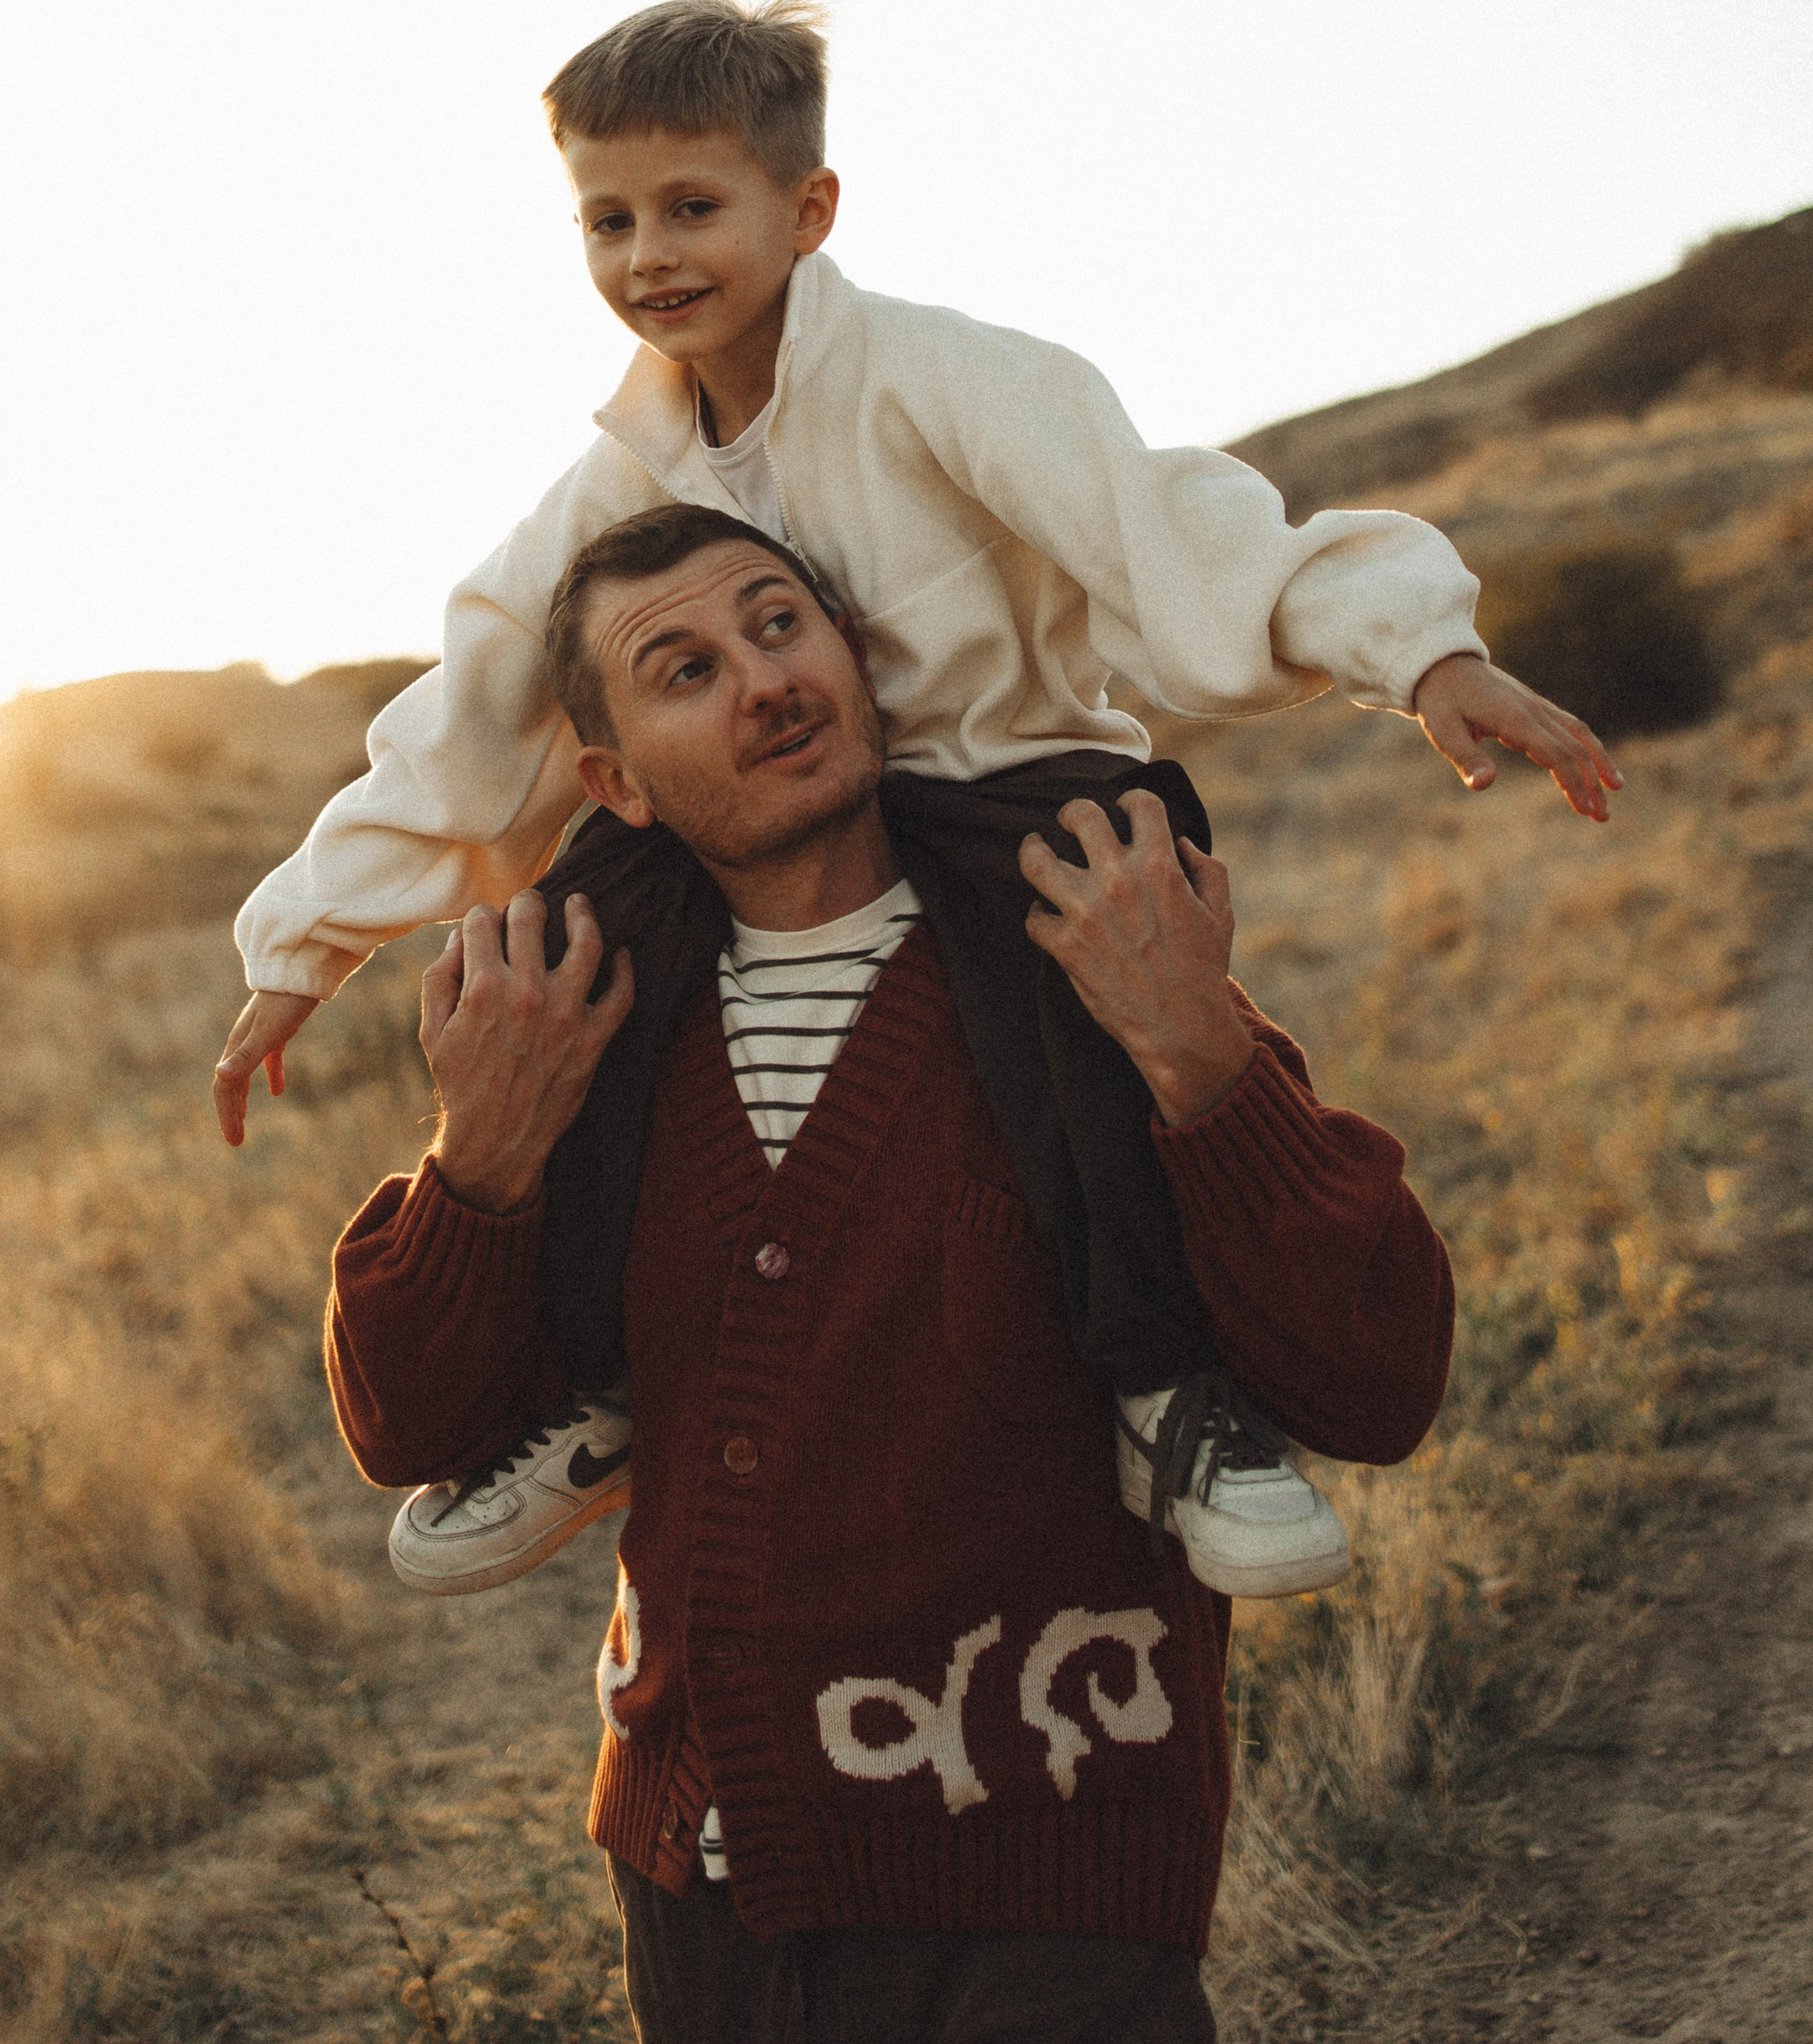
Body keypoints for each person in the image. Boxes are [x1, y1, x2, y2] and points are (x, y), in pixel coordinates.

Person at [221, 0, 1617, 1591]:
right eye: (607, 219)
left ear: (808, 209)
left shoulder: (948, 377)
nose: (648, 254)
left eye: (692, 206)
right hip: (772, 818)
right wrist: (302, 947)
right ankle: (594, 1388)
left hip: (1024, 796)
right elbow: (477, 699)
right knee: (575, 939)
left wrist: (1426, 657)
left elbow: (1166, 525)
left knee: (1076, 1037)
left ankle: (1169, 1389)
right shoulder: (623, 467)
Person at [325, 513, 1456, 2041]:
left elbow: (1380, 1375)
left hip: (1047, 1893)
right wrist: (482, 1160)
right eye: (685, 669)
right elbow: (409, 1432)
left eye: (781, 625)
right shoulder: (586, 1029)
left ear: (859, 654)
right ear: (618, 785)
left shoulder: (1081, 960)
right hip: (697, 1889)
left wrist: (1201, 1051)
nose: (763, 683)